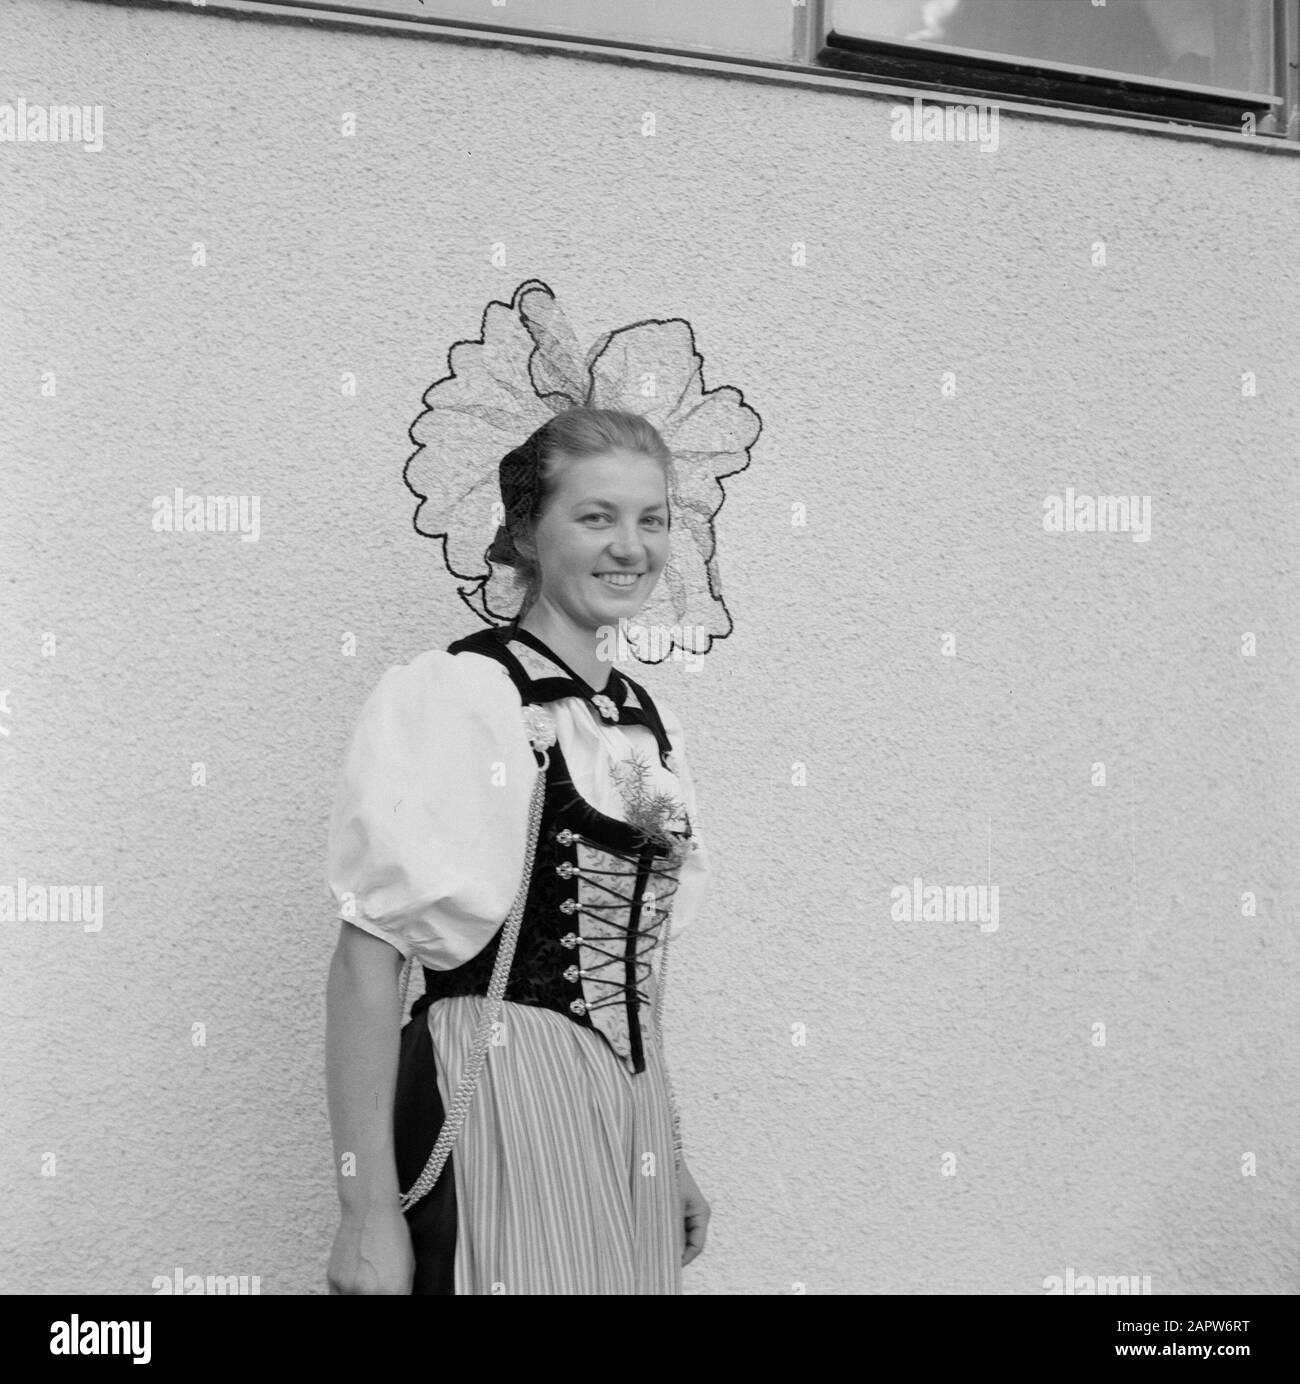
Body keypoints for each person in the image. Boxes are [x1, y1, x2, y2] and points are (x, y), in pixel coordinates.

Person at [324, 407, 713, 1294]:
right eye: (596, 516)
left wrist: (672, 1150)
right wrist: (366, 1210)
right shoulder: (468, 694)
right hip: (499, 1085)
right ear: (529, 534)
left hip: (628, 1117)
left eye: (651, 519)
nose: (631, 546)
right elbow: (363, 963)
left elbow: (638, 977)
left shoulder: (643, 726)